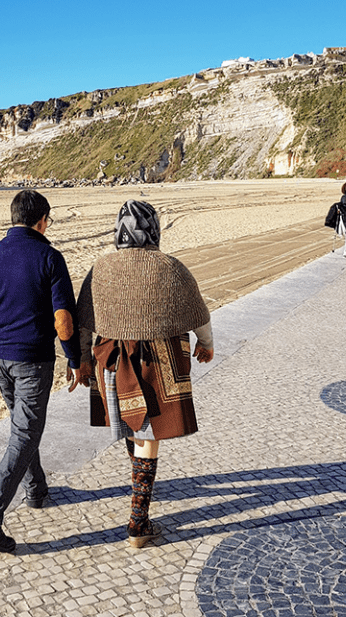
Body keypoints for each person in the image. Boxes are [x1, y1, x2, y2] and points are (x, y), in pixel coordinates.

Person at [76, 200, 213, 548]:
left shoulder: (102, 267)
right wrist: (206, 344)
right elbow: (197, 311)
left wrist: (80, 359)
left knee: (133, 429)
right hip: (157, 363)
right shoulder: (171, 266)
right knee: (147, 436)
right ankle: (138, 522)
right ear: (154, 228)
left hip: (112, 360)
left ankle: (141, 487)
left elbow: (83, 320)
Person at [0, 189, 84, 554]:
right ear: (42, 221)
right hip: (33, 359)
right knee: (24, 433)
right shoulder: (49, 256)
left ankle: (36, 489)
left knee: (22, 427)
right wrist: (74, 360)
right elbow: (63, 319)